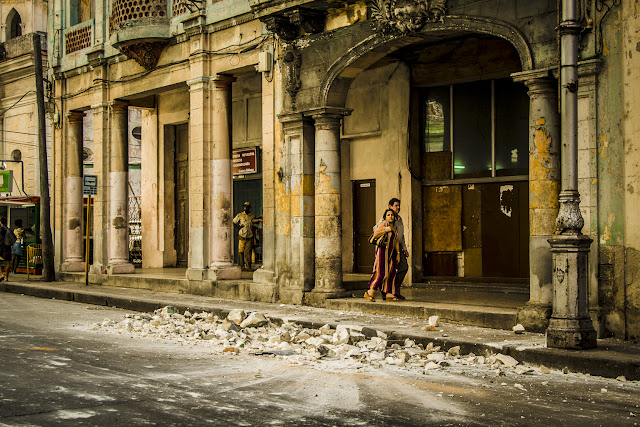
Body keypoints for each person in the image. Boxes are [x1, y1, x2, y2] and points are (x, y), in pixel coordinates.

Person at [373, 198, 409, 300]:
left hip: (398, 248)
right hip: (387, 249)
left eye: (399, 205)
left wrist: (404, 248)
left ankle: (395, 290)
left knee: (403, 267)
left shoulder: (399, 219)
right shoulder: (385, 218)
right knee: (387, 271)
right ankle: (385, 292)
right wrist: (384, 226)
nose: (398, 208)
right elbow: (375, 229)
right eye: (396, 205)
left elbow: (400, 236)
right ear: (390, 206)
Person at [364, 209, 401, 302]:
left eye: (392, 215)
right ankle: (370, 291)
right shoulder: (384, 224)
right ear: (385, 217)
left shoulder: (394, 228)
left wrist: (398, 254)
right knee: (381, 273)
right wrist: (385, 230)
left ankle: (389, 293)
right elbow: (375, 235)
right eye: (388, 215)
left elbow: (396, 241)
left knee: (391, 272)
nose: (390, 216)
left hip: (391, 253)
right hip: (382, 252)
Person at [233, 202, 262, 271]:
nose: (246, 208)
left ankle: (248, 265)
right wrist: (238, 228)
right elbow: (233, 222)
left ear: (249, 208)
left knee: (248, 251)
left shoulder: (252, 216)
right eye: (245, 207)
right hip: (242, 235)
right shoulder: (240, 215)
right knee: (241, 250)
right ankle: (241, 265)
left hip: (249, 234)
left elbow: (255, 222)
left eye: (248, 207)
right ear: (244, 207)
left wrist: (260, 218)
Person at [0, 217, 13, 282]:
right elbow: (14, 238)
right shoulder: (9, 229)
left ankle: (1, 274)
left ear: (0, 222)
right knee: (7, 262)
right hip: (8, 247)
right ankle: (6, 277)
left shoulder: (1, 229)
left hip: (1, 247)